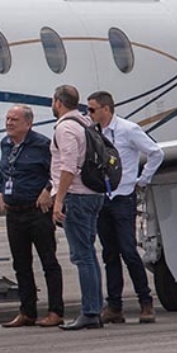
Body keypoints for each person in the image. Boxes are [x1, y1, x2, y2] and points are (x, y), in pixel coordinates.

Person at [87, 91, 164, 325]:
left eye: (92, 110)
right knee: (109, 253)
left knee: (128, 251)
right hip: (103, 197)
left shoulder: (128, 130)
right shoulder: (93, 133)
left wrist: (142, 180)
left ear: (106, 109)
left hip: (122, 197)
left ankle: (145, 301)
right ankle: (114, 306)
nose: (88, 114)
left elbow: (156, 153)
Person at [0, 104, 66, 328]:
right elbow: (4, 171)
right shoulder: (6, 144)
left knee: (48, 261)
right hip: (14, 213)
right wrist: (0, 190)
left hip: (37, 212)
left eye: (14, 120)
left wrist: (48, 190)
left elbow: (56, 172)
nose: (9, 123)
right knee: (21, 264)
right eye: (8, 119)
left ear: (28, 123)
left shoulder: (42, 145)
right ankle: (27, 311)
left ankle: (56, 311)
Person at [50, 85, 105, 330]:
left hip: (77, 197)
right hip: (93, 194)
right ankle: (94, 309)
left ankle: (90, 312)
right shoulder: (85, 123)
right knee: (89, 255)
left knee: (82, 256)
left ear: (58, 102)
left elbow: (68, 166)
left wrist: (58, 199)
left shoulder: (65, 128)